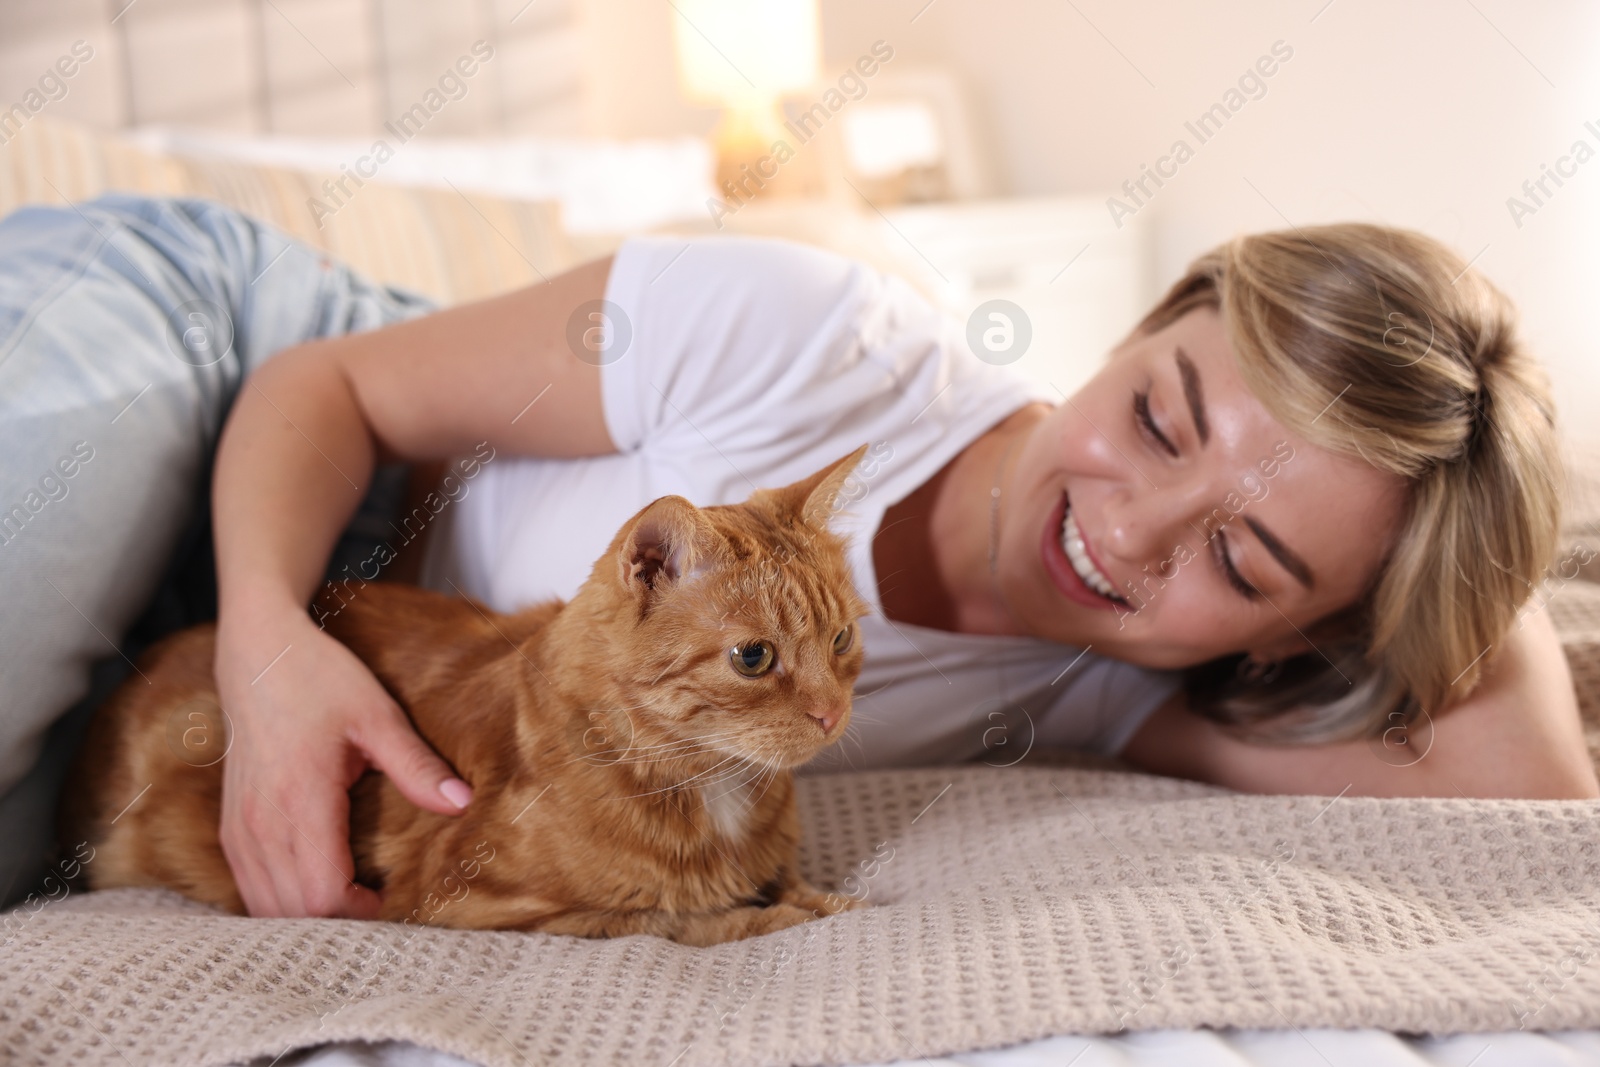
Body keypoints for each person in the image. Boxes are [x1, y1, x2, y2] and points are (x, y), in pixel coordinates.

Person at [1, 195, 1594, 920]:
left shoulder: (1110, 705)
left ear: (1281, 639)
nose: (1124, 530)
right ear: (1138, 324)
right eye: (1164, 416)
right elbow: (328, 390)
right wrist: (275, 655)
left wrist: (1451, 477)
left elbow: (1539, 811)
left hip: (251, 660)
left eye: (1243, 561)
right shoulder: (816, 335)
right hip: (258, 399)